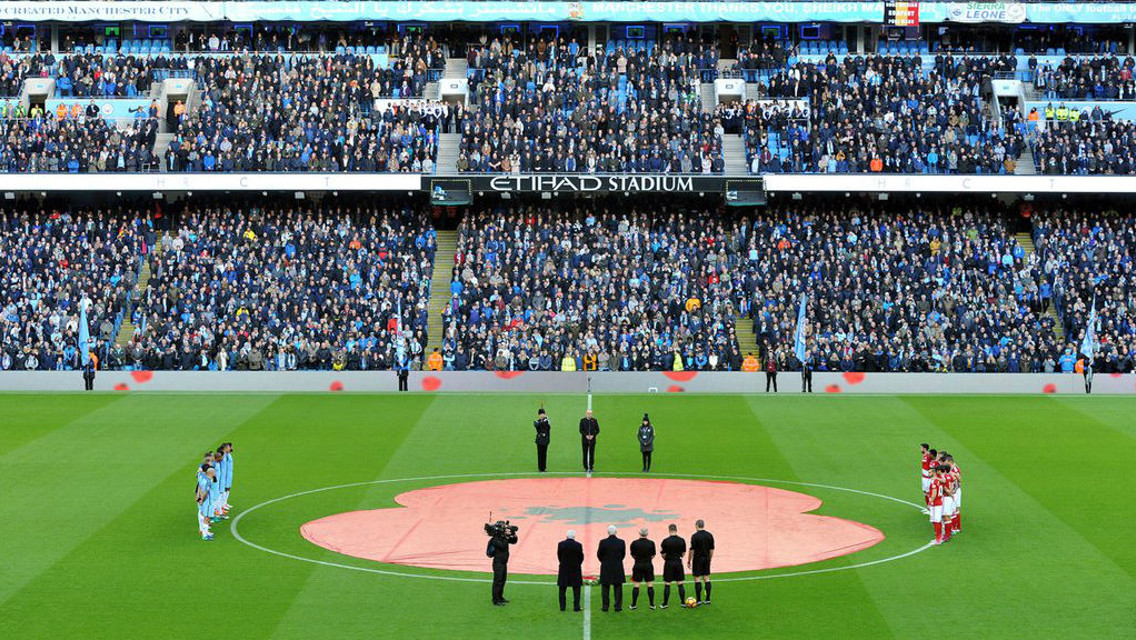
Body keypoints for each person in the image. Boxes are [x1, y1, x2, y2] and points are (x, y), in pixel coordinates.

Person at [487, 522, 518, 606]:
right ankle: (495, 600)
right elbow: (503, 546)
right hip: (498, 563)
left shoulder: (502, 537)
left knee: (502, 581)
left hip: (503, 563)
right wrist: (507, 536)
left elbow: (514, 541)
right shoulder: (495, 539)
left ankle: (500, 597)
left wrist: (513, 533)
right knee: (497, 581)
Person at [597, 525, 626, 612]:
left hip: (606, 566)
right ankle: (618, 606)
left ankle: (605, 607)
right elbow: (623, 554)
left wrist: (604, 561)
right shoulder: (621, 542)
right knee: (618, 587)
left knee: (605, 587)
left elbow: (599, 554)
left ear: (608, 532)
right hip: (617, 566)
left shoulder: (603, 542)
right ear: (616, 532)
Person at [659, 523, 688, 608]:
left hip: (669, 563)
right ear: (676, 530)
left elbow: (662, 553)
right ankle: (683, 603)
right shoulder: (682, 540)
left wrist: (667, 559)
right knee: (680, 583)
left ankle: (665, 604)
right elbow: (683, 554)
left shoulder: (665, 541)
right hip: (678, 562)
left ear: (669, 530)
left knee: (667, 583)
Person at [688, 519, 715, 604]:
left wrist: (689, 561)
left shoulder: (695, 536)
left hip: (697, 559)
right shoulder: (709, 535)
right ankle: (707, 599)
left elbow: (691, 550)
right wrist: (710, 558)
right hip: (706, 558)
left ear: (696, 525)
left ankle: (699, 600)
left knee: (697, 578)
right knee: (706, 578)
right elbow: (712, 549)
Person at [629, 528, 657, 610]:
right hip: (648, 565)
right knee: (650, 586)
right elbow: (653, 555)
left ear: (639, 533)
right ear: (647, 534)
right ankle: (652, 605)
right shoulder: (651, 543)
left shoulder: (634, 543)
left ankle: (633, 605)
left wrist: (638, 559)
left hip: (637, 565)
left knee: (636, 586)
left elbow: (632, 555)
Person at [557, 530, 584, 612]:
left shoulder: (561, 544)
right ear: (574, 537)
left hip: (564, 568)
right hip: (575, 569)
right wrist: (577, 564)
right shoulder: (578, 545)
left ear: (566, 536)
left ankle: (562, 607)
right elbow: (581, 557)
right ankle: (576, 607)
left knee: (562, 588)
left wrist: (563, 563)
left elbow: (559, 556)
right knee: (576, 589)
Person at [928, 465, 946, 545]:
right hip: (937, 503)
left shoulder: (934, 482)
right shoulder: (937, 481)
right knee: (934, 520)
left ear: (934, 473)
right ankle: (939, 535)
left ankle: (938, 539)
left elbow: (934, 493)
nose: (928, 473)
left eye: (929, 472)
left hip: (936, 504)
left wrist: (930, 502)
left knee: (936, 521)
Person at [195, 463, 214, 541]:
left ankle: (204, 531)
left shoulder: (201, 476)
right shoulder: (208, 481)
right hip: (207, 501)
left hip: (201, 498)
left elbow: (199, 485)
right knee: (206, 517)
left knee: (202, 514)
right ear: (211, 473)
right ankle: (205, 535)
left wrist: (198, 496)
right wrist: (202, 500)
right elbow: (206, 492)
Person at [534, 408, 551, 472]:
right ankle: (540, 468)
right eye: (541, 414)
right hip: (539, 440)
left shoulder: (547, 421)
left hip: (545, 439)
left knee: (544, 454)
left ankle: (544, 468)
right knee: (539, 454)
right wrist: (543, 420)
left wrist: (545, 420)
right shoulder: (537, 421)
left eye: (543, 414)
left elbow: (548, 428)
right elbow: (537, 425)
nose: (542, 415)